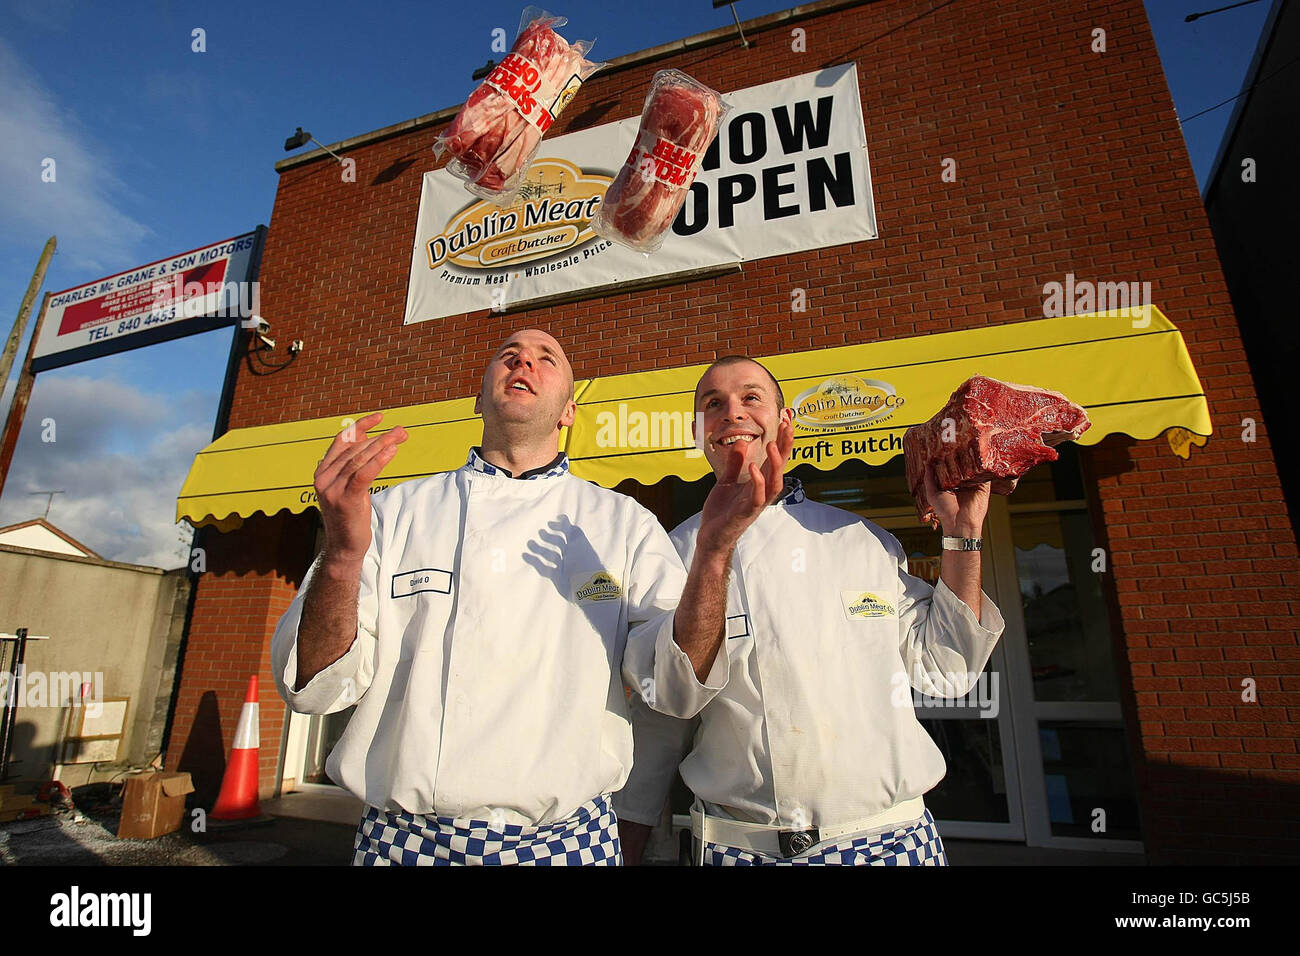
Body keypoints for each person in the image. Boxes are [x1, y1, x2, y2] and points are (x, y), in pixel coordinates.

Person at [270, 330, 779, 866]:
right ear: (479, 398)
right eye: (509, 357)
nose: (524, 364)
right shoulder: (392, 514)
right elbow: (316, 688)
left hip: (566, 844)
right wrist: (342, 556)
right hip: (403, 843)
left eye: (545, 359)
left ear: (568, 412)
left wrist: (714, 551)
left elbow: (675, 686)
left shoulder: (623, 524)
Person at [617, 355, 1007, 866]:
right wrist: (632, 840)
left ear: (784, 426)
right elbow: (662, 711)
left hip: (889, 841)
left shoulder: (861, 540)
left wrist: (963, 535)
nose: (732, 412)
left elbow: (946, 669)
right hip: (741, 849)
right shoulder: (668, 553)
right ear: (700, 435)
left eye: (751, 397)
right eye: (713, 404)